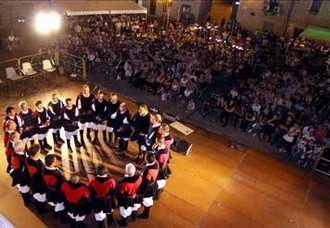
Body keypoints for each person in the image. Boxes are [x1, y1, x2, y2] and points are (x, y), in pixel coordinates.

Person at [89, 163, 117, 227]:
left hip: (97, 201)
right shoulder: (111, 181)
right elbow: (114, 192)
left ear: (97, 172)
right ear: (106, 172)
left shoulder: (93, 181)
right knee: (109, 212)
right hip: (108, 201)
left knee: (99, 217)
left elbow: (91, 192)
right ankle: (110, 221)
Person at [25, 144, 49, 214]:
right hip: (39, 183)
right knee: (41, 197)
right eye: (39, 150)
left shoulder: (28, 158)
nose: (40, 151)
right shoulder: (38, 165)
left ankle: (39, 205)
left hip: (33, 180)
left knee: (38, 196)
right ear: (37, 153)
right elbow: (42, 175)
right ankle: (40, 210)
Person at [42, 154, 66, 222]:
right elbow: (62, 184)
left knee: (52, 203)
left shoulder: (44, 168)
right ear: (52, 163)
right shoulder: (56, 174)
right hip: (57, 193)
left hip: (49, 190)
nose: (56, 161)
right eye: (55, 160)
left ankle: (54, 214)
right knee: (61, 206)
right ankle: (62, 219)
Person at [137, 153, 159, 219]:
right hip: (153, 184)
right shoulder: (156, 163)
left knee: (147, 201)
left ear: (147, 160)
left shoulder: (148, 171)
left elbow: (145, 183)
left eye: (145, 157)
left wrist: (140, 192)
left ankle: (146, 214)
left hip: (148, 188)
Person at [10, 140, 31, 206]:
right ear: (19, 149)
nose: (24, 146)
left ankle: (26, 194)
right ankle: (26, 201)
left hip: (24, 174)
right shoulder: (16, 157)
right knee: (24, 189)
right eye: (23, 146)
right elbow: (18, 170)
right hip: (21, 177)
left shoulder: (20, 152)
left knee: (26, 187)